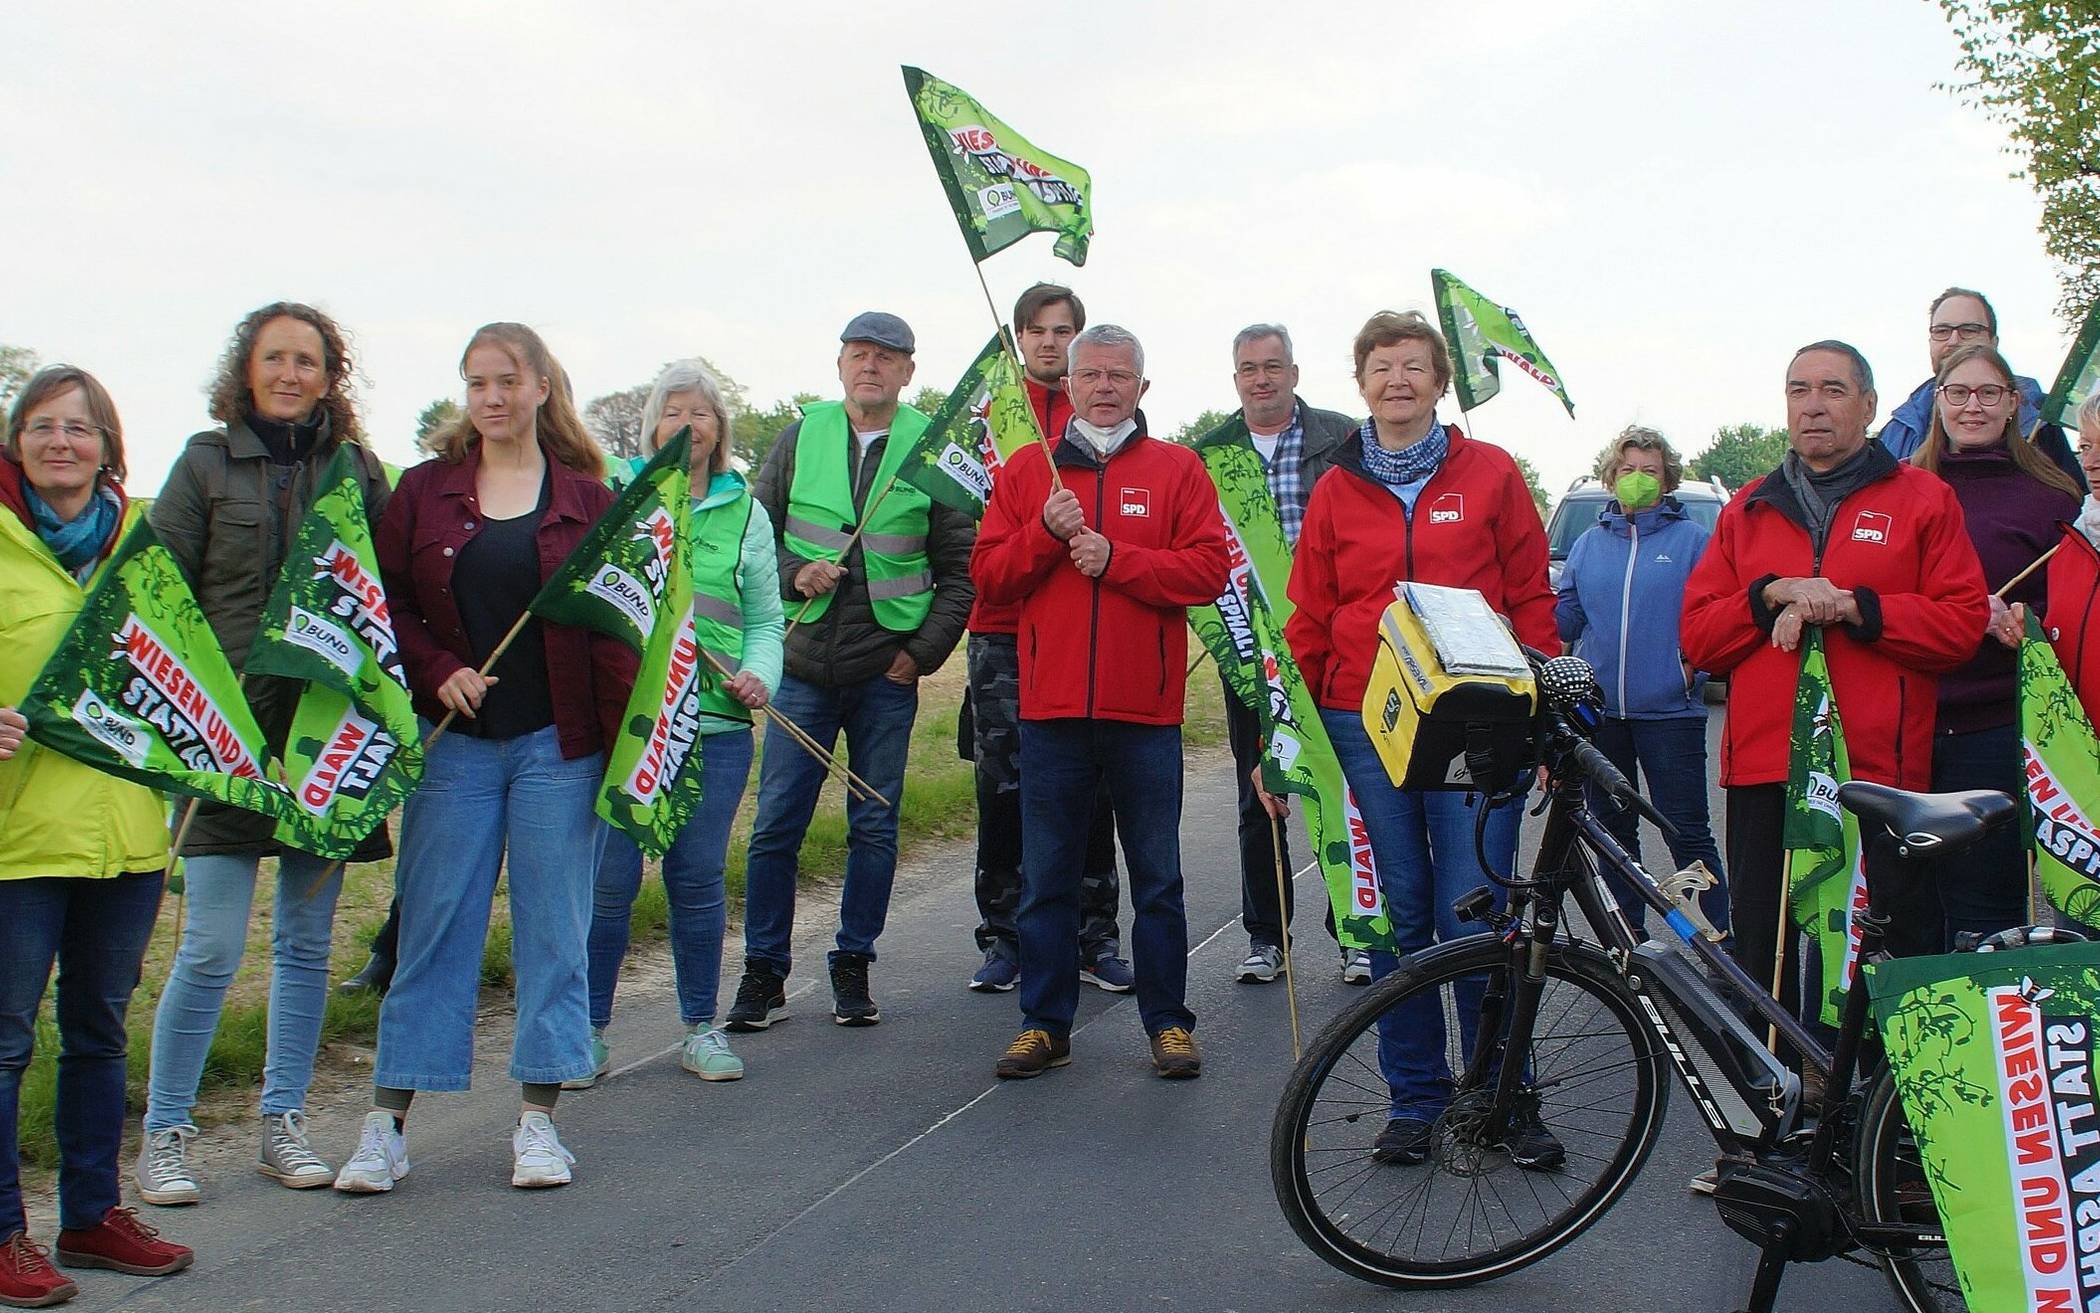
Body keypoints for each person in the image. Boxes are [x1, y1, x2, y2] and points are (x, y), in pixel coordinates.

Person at [334, 323, 633, 1194]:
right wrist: (437, 671)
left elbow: (618, 636)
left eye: (507, 380)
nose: (492, 397)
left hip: (559, 750)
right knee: (431, 929)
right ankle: (386, 1126)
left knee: (555, 932)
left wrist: (625, 748)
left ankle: (539, 1122)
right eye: (476, 383)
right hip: (455, 751)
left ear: (542, 386)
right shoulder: (423, 492)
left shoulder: (589, 498)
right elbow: (386, 606)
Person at [1282, 310, 1561, 1168]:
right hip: (1369, 724)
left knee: (1474, 912)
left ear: (1440, 381)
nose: (1396, 380)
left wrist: (1543, 706)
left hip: (1480, 721)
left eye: (1413, 366)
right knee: (1401, 913)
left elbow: (1532, 597)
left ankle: (1502, 1094)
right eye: (1380, 367)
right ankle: (1415, 1098)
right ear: (1359, 383)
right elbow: (1310, 615)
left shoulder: (1492, 474)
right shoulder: (1336, 487)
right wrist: (1304, 724)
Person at [138, 303, 393, 1206]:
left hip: (325, 747)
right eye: (274, 358)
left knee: (303, 942)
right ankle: (165, 1131)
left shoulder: (358, 471)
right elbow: (155, 590)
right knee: (208, 949)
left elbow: (387, 595)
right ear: (246, 370)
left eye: (309, 360)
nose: (291, 373)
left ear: (332, 376)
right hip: (223, 745)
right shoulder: (204, 462)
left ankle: (282, 1123)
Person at [1682, 341, 1987, 1033]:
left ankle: (1880, 1119)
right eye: (1798, 390)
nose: (1812, 405)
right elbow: (1699, 637)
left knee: (1880, 957)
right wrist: (1771, 595)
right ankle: (1774, 1112)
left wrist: (1854, 606)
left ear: (1870, 405)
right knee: (1767, 954)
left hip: (1880, 774)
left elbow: (1962, 624)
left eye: (1832, 389)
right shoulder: (1747, 509)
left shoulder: (1923, 499)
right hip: (1768, 770)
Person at [975, 324, 1228, 1080]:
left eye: (1121, 375)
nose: (1106, 386)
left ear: (1143, 388)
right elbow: (988, 579)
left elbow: (1207, 570)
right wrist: (1045, 537)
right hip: (1051, 712)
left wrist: (1118, 559)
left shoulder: (1179, 469)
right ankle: (1045, 1023)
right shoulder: (1030, 473)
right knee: (1047, 875)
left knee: (1157, 877)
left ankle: (1168, 1022)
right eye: (1092, 374)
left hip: (1144, 712)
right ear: (1070, 385)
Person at [1, 368, 193, 1305]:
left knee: (97, 1030)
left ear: (109, 445)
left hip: (125, 837)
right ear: (16, 442)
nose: (61, 443)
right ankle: (2, 1232)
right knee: (3, 1042)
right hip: (16, 840)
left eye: (79, 428)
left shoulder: (144, 544)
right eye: (41, 427)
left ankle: (90, 1217)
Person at [727, 312, 975, 1030]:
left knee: (874, 825)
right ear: (839, 364)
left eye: (886, 357)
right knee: (776, 826)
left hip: (883, 672)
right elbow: (753, 535)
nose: (871, 366)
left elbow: (961, 571)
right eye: (859, 355)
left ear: (907, 371)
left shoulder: (933, 450)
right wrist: (791, 571)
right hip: (801, 667)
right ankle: (764, 971)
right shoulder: (800, 436)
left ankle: (852, 962)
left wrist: (919, 655)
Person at [572, 361, 782, 1087]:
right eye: (673, 412)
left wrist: (761, 673)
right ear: (650, 425)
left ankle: (702, 1026)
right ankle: (586, 1031)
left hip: (718, 728)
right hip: (633, 727)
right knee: (609, 883)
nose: (687, 426)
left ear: (719, 428)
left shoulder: (747, 511)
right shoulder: (618, 495)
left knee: (695, 880)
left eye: (701, 413)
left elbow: (765, 619)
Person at [965, 283, 1133, 995]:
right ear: (1017, 339)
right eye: (1035, 330)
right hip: (1002, 629)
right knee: (1006, 787)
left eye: (1063, 329)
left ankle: (1093, 933)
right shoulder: (985, 414)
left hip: (1079, 626)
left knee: (1089, 786)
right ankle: (1005, 935)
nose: (1048, 341)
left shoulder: (1100, 411)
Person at [1908, 344, 2080, 945]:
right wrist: (1950, 613)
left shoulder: (2054, 495)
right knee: (1908, 911)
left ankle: (1995, 1037)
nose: (1972, 407)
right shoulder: (1904, 489)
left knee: (1988, 913)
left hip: (1997, 726)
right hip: (1909, 722)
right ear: (1939, 403)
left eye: (1988, 394)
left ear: (2013, 405)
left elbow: (2078, 603)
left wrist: (2025, 619)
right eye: (1958, 394)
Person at [1210, 323, 1359, 986]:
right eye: (1249, 368)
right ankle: (1267, 935)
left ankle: (1354, 930)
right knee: (1261, 793)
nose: (1261, 378)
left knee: (1343, 790)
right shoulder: (1209, 452)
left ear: (1294, 372)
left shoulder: (1344, 437)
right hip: (1250, 650)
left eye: (1273, 366)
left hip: (1330, 645)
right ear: (1235, 377)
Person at [1554, 426, 1730, 941]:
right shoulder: (1587, 543)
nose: (1638, 479)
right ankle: (1627, 939)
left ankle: (1716, 939)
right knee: (1613, 832)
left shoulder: (1694, 540)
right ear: (1612, 476)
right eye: (1628, 469)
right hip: (1600, 715)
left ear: (1667, 478)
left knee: (1687, 831)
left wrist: (1696, 662)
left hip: (1671, 714)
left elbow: (1712, 615)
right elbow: (1566, 619)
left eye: (1649, 470)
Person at [1876, 285, 2083, 490]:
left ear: (1993, 342)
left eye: (1969, 330)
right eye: (1942, 331)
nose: (1953, 341)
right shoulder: (1897, 431)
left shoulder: (2039, 423)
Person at [2046, 395, 2100, 724]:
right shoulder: (2071, 545)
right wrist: (2031, 632)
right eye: (2086, 446)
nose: (2092, 462)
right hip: (2078, 759)